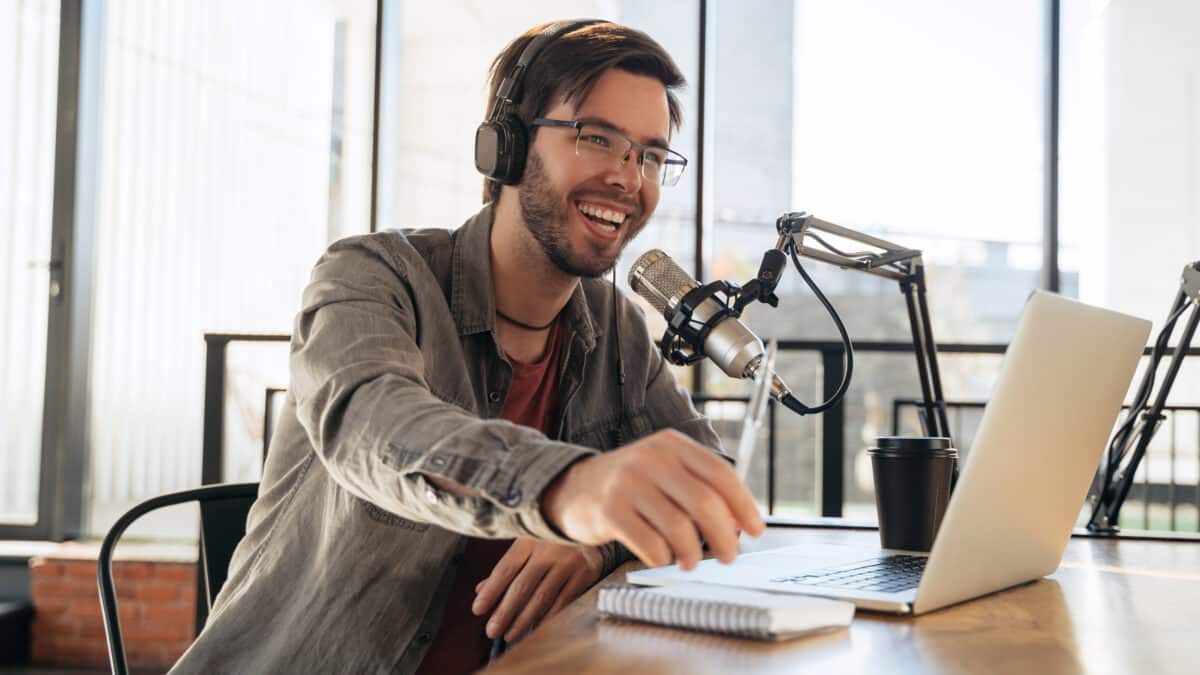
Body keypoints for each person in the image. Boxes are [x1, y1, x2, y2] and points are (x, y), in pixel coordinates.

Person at [171, 19, 763, 674]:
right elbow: (377, 424)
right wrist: (567, 489)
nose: (629, 178)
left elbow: (714, 488)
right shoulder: (371, 276)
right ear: (504, 147)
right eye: (597, 138)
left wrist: (598, 543)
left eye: (650, 155)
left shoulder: (614, 327)